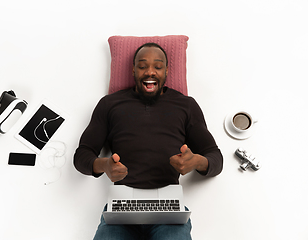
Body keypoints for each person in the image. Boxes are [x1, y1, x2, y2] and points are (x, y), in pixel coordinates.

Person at [74, 42, 223, 239]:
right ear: (133, 69)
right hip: (122, 207)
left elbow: (215, 158)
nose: (150, 72)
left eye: (158, 66)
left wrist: (196, 161)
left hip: (168, 209)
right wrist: (104, 165)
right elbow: (81, 156)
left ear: (167, 71)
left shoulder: (186, 105)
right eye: (143, 66)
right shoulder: (109, 104)